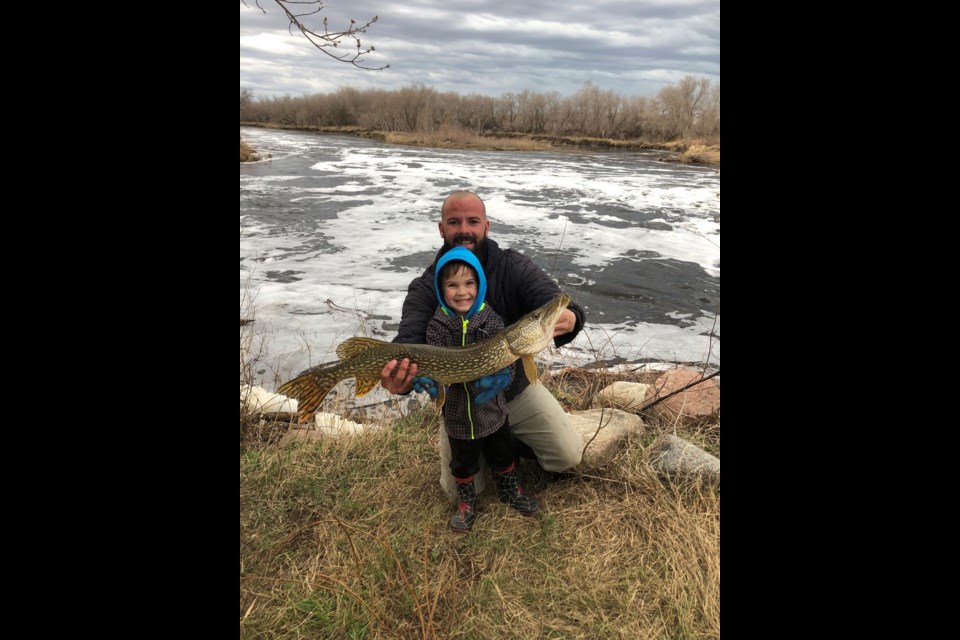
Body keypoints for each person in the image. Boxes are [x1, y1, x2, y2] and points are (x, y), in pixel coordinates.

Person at [380, 190, 587, 499]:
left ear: (486, 226)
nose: (464, 229)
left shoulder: (512, 266)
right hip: (460, 405)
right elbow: (409, 341)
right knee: (461, 493)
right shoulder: (426, 286)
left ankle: (506, 445)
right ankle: (488, 450)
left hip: (514, 391)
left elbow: (550, 298)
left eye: (472, 221)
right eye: (454, 222)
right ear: (442, 229)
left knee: (567, 457)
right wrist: (400, 380)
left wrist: (570, 317)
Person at [427, 246, 539, 532]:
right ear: (442, 289)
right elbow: (431, 367)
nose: (462, 291)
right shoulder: (437, 326)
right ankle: (467, 503)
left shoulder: (493, 322)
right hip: (457, 418)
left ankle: (510, 489)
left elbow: (512, 367)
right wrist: (426, 378)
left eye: (469, 283)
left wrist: (504, 375)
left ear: (480, 285)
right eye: (452, 285)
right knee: (462, 464)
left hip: (492, 412)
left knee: (503, 452)